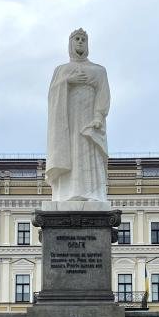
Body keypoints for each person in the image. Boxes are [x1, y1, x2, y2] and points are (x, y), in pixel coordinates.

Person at [46, 28, 111, 202]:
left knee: (88, 150)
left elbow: (103, 94)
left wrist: (98, 116)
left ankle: (92, 193)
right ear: (70, 43)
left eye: (83, 39)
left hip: (89, 119)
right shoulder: (61, 70)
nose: (80, 42)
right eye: (77, 39)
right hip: (68, 120)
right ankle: (66, 193)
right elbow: (52, 95)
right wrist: (67, 81)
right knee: (71, 149)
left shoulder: (98, 70)